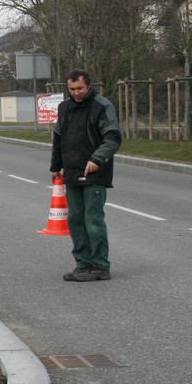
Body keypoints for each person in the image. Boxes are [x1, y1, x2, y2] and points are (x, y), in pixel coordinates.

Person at [50, 70, 122, 282]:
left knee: (93, 219)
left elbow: (113, 138)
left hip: (95, 173)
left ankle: (100, 266)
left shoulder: (102, 106)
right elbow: (58, 138)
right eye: (72, 89)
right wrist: (55, 166)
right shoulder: (64, 108)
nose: (76, 93)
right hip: (71, 172)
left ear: (88, 85)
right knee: (75, 219)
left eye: (80, 88)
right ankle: (82, 264)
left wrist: (97, 159)